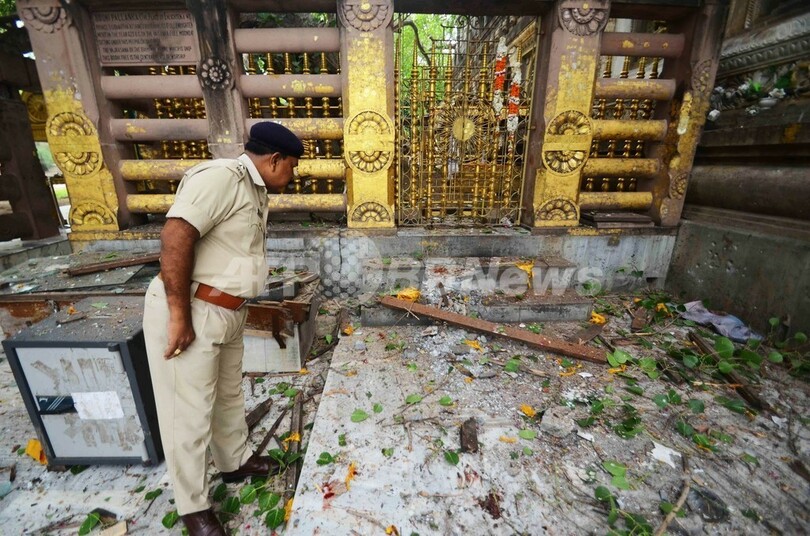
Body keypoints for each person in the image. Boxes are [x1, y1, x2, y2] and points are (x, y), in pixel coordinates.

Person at [143, 122, 303, 536]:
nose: (294, 175)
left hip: (228, 311)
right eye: (293, 166)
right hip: (194, 308)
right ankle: (192, 507)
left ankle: (234, 462)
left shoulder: (254, 190)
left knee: (228, 394)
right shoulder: (221, 179)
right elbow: (176, 237)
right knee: (189, 413)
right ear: (275, 160)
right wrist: (179, 316)